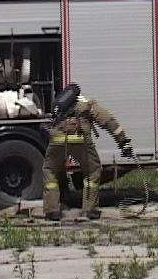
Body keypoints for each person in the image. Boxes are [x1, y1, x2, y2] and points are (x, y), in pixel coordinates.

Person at [42, 83, 133, 221]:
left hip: (57, 139)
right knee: (93, 171)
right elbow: (107, 121)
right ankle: (89, 210)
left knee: (50, 171)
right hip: (80, 139)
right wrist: (123, 142)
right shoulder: (87, 104)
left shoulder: (59, 107)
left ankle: (52, 211)